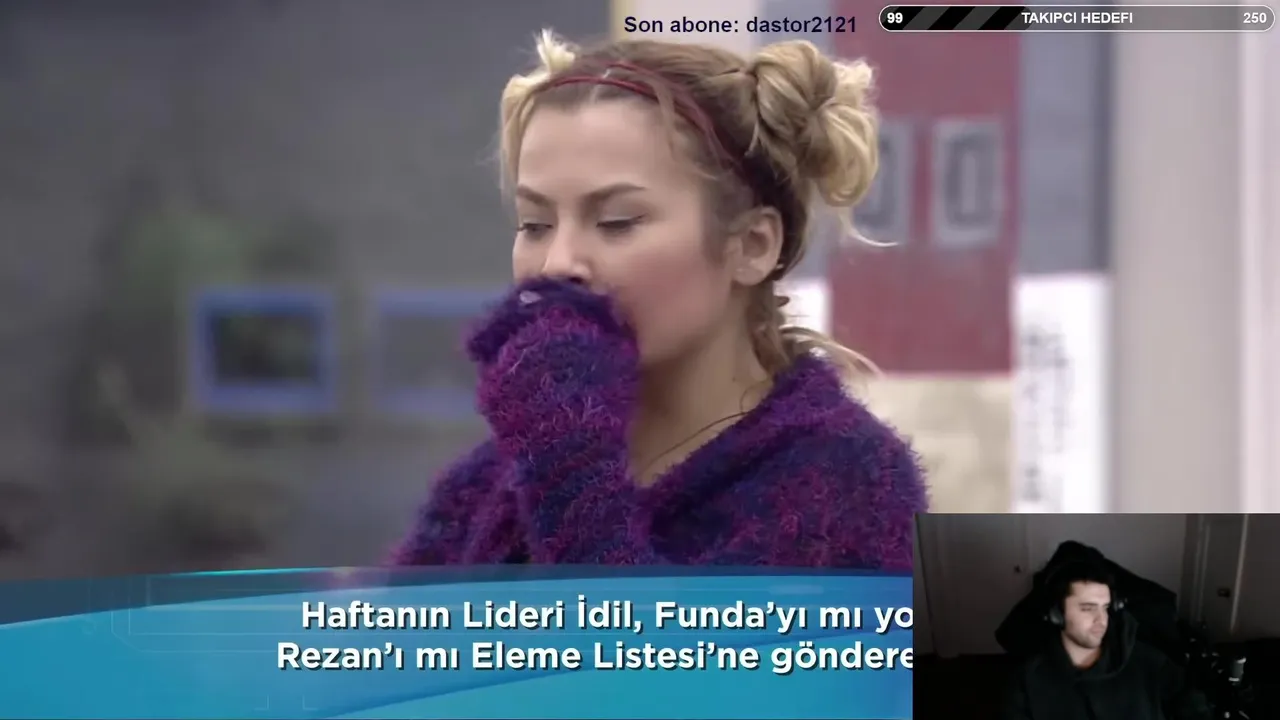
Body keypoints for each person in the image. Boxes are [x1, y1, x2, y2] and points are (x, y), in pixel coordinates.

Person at [389, 30, 927, 567]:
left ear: (752, 245)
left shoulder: (849, 482)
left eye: (617, 222)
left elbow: (633, 625)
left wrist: (568, 463)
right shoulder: (490, 481)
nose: (557, 264)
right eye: (534, 224)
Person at [1002, 561, 1210, 720]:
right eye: (1088, 608)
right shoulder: (1027, 681)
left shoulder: (1150, 663)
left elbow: (1194, 709)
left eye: (1106, 608)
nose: (1101, 620)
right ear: (1056, 614)